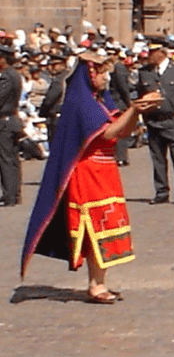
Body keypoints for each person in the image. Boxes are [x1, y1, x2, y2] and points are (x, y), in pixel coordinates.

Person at [20, 50, 161, 302]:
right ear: (91, 73)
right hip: (87, 172)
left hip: (106, 171)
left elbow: (122, 132)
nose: (107, 77)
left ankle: (99, 281)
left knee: (108, 223)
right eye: (103, 72)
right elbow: (106, 134)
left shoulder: (101, 101)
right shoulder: (81, 102)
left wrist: (137, 112)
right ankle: (95, 286)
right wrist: (133, 108)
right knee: (95, 227)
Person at [134, 38, 174, 205]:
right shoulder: (144, 72)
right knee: (158, 159)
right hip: (154, 121)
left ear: (162, 53)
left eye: (152, 53)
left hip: (173, 121)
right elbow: (140, 93)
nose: (149, 56)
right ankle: (161, 192)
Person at [0, 45, 24, 206]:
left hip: (5, 121)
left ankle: (10, 195)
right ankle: (14, 193)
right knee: (12, 159)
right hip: (11, 120)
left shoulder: (7, 77)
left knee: (6, 159)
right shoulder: (14, 74)